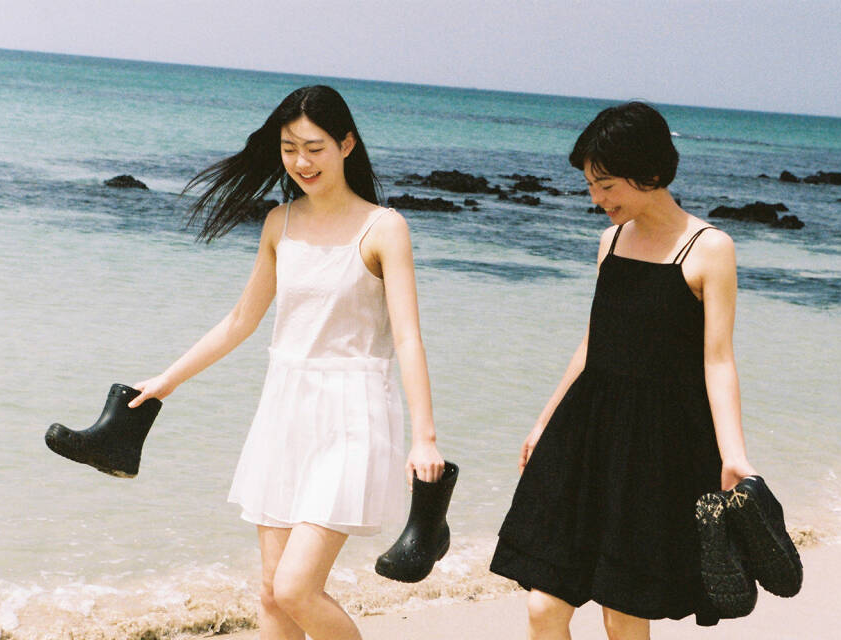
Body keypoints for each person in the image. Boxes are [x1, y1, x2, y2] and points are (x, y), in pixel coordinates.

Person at [128, 85, 445, 640]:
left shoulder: (384, 228)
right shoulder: (280, 222)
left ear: (347, 144)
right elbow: (240, 320)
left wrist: (425, 438)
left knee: (298, 588)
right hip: (284, 412)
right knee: (272, 596)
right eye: (289, 148)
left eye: (315, 148)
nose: (301, 162)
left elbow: (409, 337)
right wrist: (167, 380)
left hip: (353, 416)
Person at [490, 102, 757, 639]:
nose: (597, 199)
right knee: (544, 607)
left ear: (650, 172)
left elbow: (719, 360)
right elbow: (595, 342)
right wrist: (544, 421)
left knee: (623, 613)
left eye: (606, 185)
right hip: (587, 434)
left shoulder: (709, 249)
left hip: (656, 448)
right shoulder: (610, 241)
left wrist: (734, 456)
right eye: (591, 185)